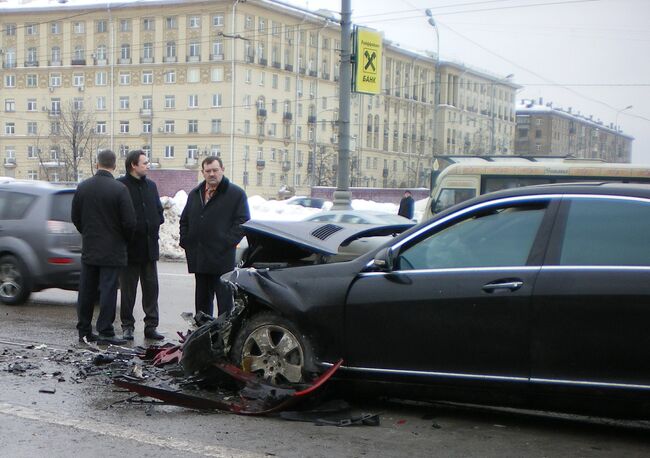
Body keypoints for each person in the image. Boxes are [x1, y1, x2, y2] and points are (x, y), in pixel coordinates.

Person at [71, 149, 136, 345]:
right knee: (108, 290)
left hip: (90, 247)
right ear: (114, 166)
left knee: (86, 290)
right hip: (113, 250)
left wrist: (88, 234)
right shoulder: (119, 189)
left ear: (97, 164)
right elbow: (130, 222)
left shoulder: (83, 187)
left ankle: (84, 330)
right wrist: (123, 240)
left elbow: (76, 217)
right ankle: (105, 331)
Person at [180, 156, 250, 317]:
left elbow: (243, 221)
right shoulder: (196, 194)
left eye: (215, 170)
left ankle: (224, 338)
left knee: (224, 303)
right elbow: (185, 220)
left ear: (222, 170)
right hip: (200, 257)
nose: (212, 174)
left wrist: (226, 241)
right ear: (203, 173)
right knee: (202, 304)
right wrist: (186, 240)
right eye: (208, 171)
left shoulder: (235, 194)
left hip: (222, 258)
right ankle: (204, 336)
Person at [117, 150, 165, 341]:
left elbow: (158, 211)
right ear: (133, 165)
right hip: (129, 249)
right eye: (144, 163)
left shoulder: (151, 186)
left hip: (149, 247)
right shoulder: (121, 186)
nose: (148, 165)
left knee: (151, 289)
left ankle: (151, 326)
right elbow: (117, 217)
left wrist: (154, 224)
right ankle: (127, 326)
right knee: (128, 291)